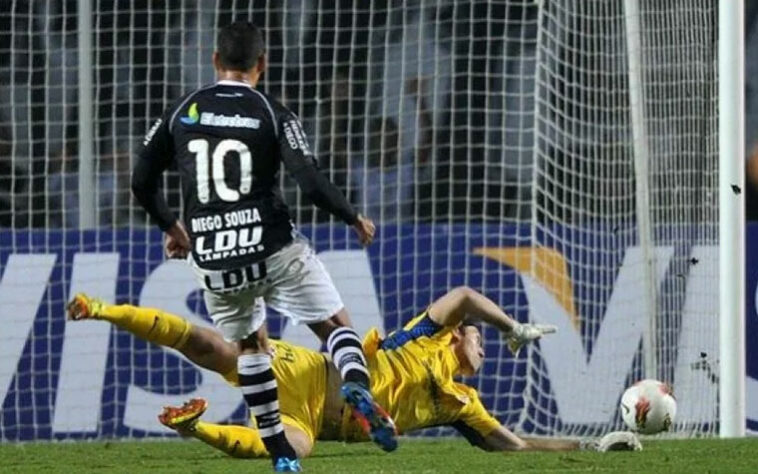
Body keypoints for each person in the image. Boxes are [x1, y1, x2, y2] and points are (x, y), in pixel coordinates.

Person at [130, 21, 392, 471]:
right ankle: (356, 385)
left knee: (251, 348)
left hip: (212, 256)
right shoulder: (273, 112)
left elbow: (140, 181)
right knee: (334, 326)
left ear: (215, 61)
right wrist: (353, 216)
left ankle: (281, 454)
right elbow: (309, 183)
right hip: (272, 247)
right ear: (262, 64)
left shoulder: (181, 111)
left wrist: (173, 226)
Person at [65, 288, 640, 460]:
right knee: (214, 347)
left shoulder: (462, 404)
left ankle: (197, 429)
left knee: (289, 448)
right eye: (478, 335)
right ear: (457, 334)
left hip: (317, 418)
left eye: (489, 339)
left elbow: (512, 445)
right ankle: (104, 310)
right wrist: (514, 325)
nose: (482, 343)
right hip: (320, 377)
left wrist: (590, 446)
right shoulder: (424, 335)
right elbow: (463, 296)